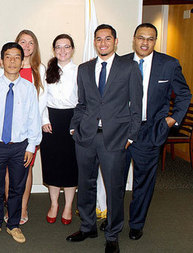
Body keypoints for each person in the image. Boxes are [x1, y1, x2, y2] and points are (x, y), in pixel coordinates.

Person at [100, 23, 191, 241]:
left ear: (155, 41)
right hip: (121, 132)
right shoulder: (119, 63)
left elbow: (184, 94)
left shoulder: (169, 65)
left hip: (150, 132)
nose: (145, 42)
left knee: (144, 182)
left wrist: (171, 120)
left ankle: (137, 224)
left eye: (150, 39)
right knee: (115, 181)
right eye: (141, 37)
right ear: (134, 39)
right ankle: (113, 218)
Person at [66, 24, 142, 253]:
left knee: (114, 188)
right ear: (94, 42)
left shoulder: (129, 67)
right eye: (98, 39)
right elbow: (81, 103)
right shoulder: (85, 69)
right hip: (86, 137)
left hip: (116, 139)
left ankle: (112, 233)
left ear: (116, 41)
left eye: (107, 39)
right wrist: (73, 128)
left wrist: (131, 135)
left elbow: (136, 106)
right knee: (86, 185)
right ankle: (88, 226)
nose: (103, 43)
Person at [0, 42, 42, 244]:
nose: (13, 61)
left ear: (22, 61)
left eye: (17, 57)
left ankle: (13, 224)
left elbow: (34, 118)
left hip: (20, 146)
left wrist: (31, 146)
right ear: (2, 60)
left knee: (17, 187)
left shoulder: (29, 89)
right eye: (8, 57)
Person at [2, 30, 46, 225]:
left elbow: (42, 101)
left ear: (34, 47)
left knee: (24, 171)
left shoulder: (40, 70)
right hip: (7, 129)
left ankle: (22, 208)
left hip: (29, 130)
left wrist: (34, 130)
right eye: (22, 42)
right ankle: (10, 206)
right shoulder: (6, 68)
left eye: (30, 43)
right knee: (7, 172)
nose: (27, 46)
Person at [39, 34, 78, 225]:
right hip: (51, 121)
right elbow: (42, 98)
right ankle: (54, 204)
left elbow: (83, 102)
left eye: (67, 47)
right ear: (54, 50)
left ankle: (68, 206)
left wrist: (76, 124)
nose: (62, 51)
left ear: (72, 49)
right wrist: (44, 119)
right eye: (58, 47)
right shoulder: (46, 71)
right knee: (52, 164)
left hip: (72, 121)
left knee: (71, 165)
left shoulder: (80, 71)